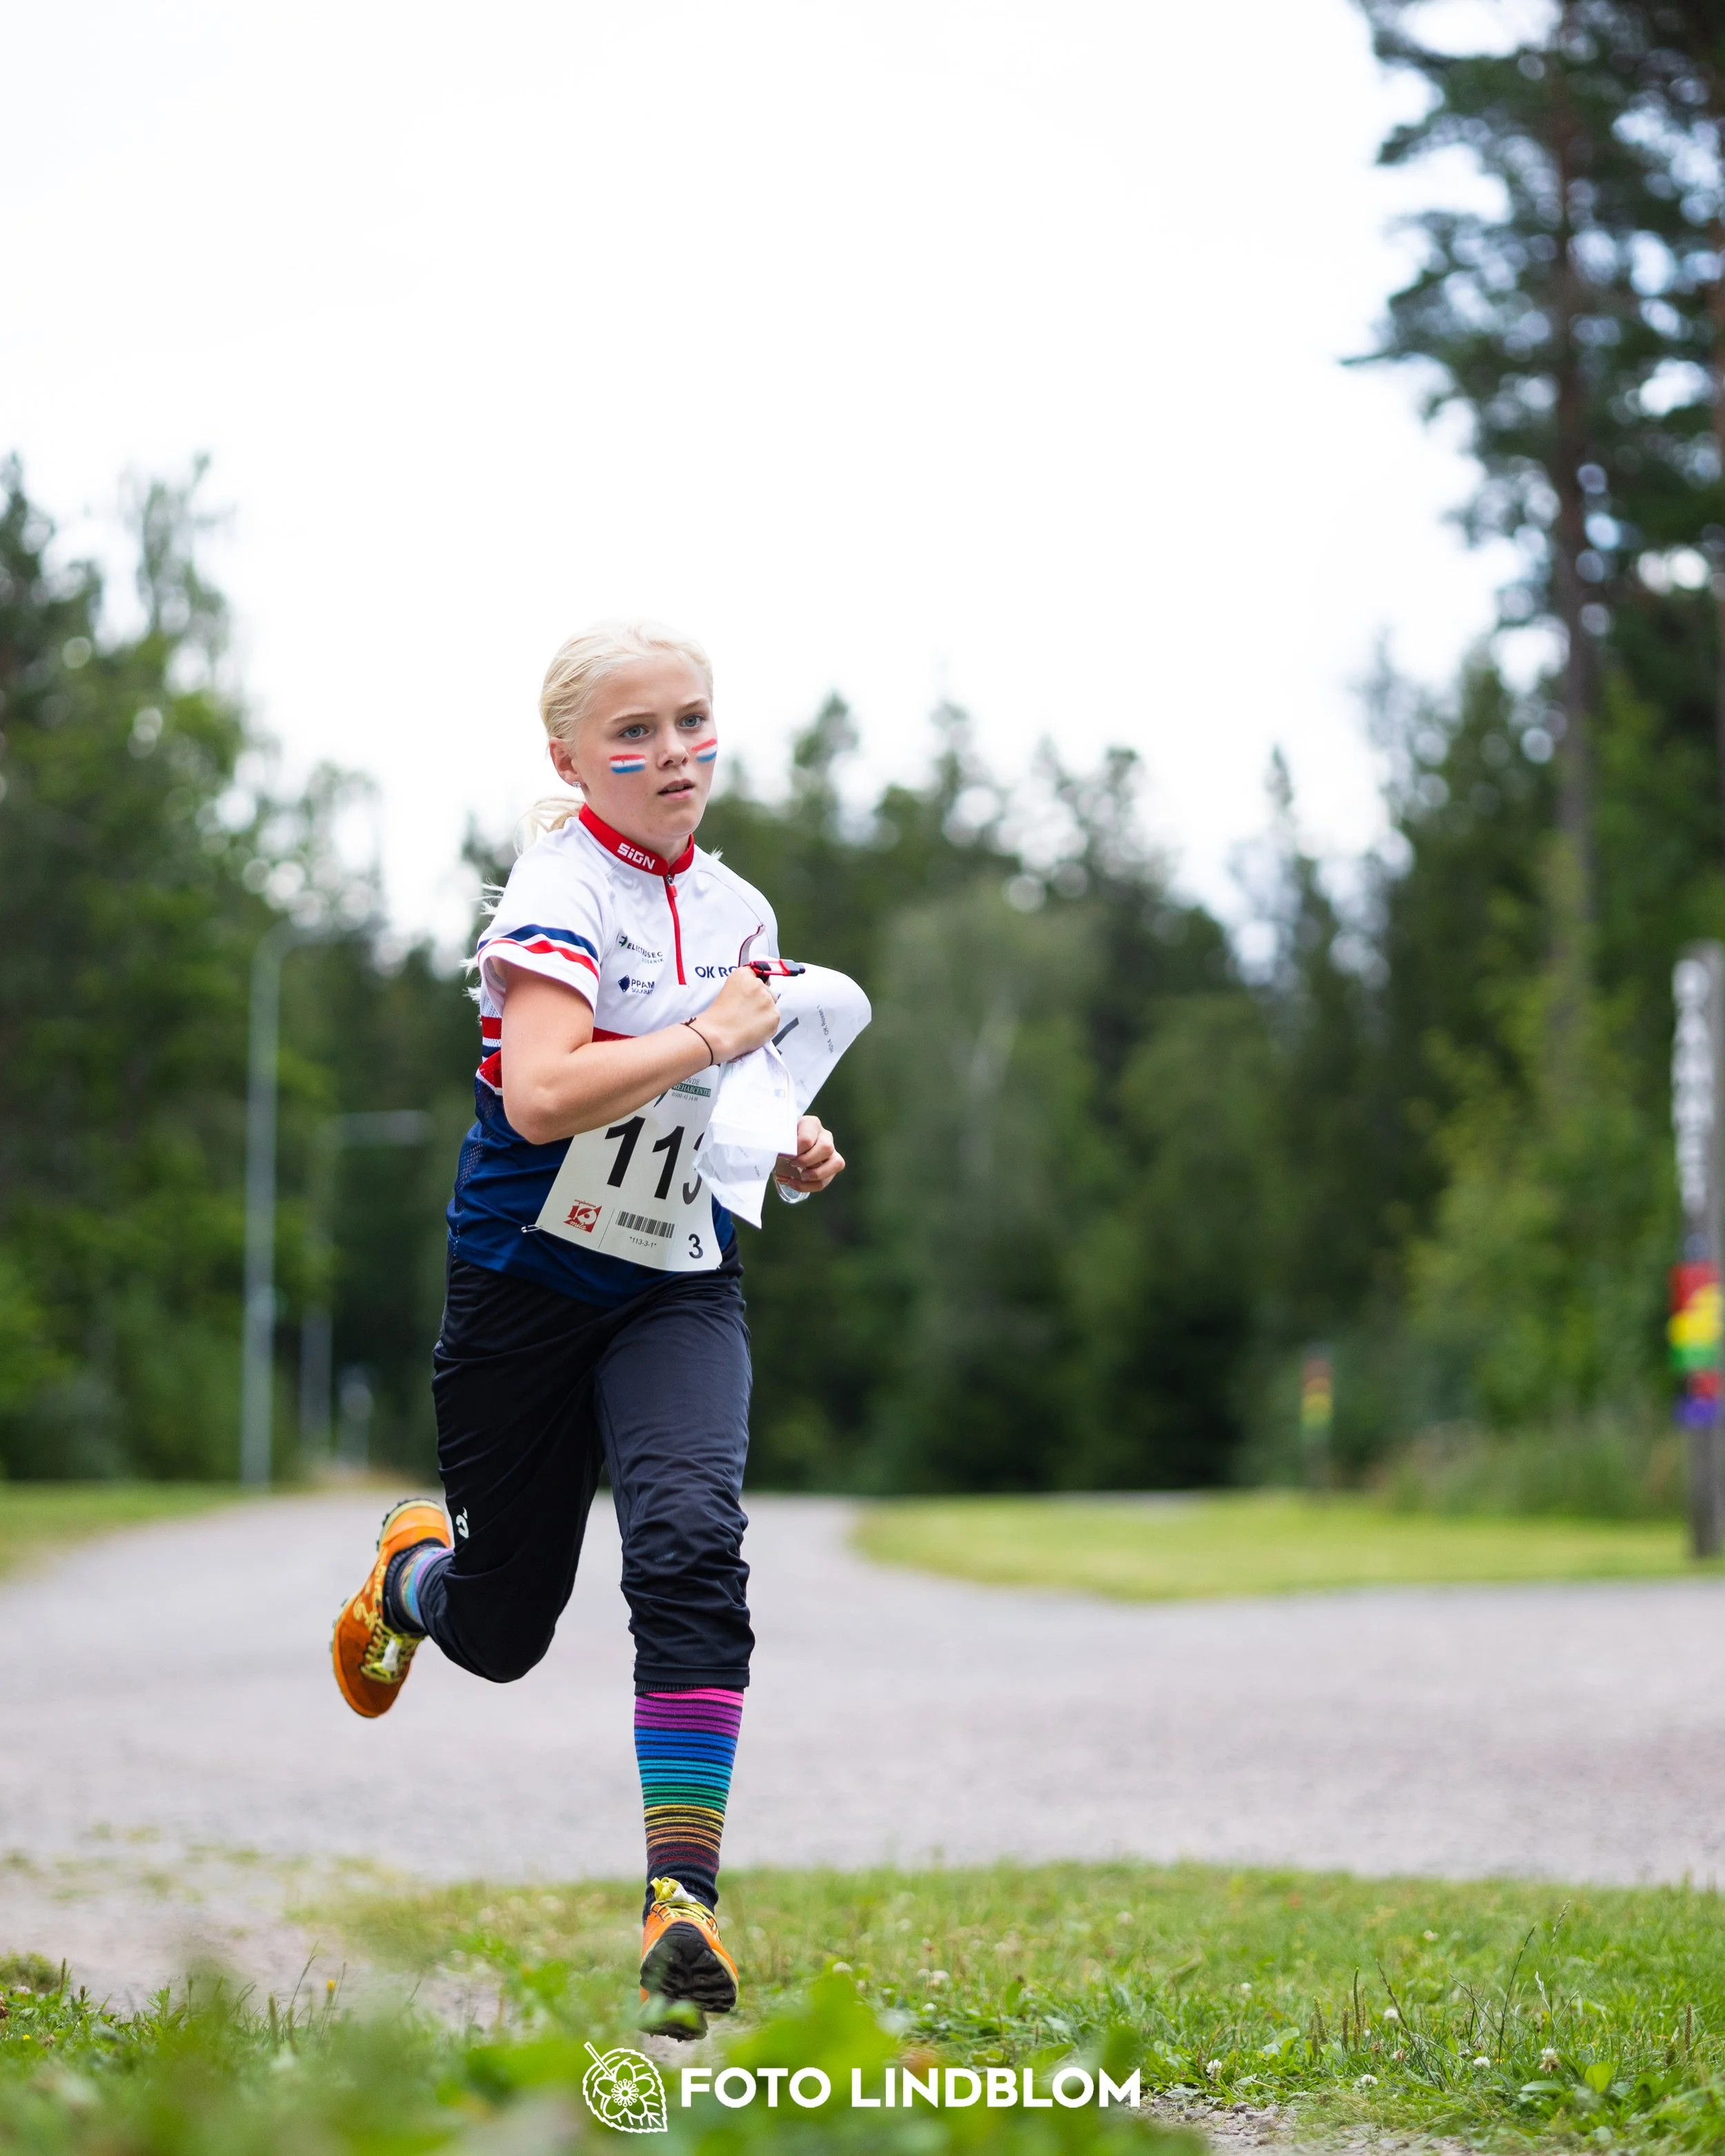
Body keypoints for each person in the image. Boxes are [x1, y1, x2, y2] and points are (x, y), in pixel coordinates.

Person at [330, 621, 846, 2030]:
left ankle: (681, 1898)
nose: (672, 751)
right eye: (634, 733)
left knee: (690, 1534)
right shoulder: (556, 887)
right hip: (526, 1287)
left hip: (677, 1276)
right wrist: (713, 1039)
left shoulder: (739, 904)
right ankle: (412, 1573)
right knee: (503, 1632)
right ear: (568, 759)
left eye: (692, 721)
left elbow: (719, 1093)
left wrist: (787, 1134)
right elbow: (551, 1091)